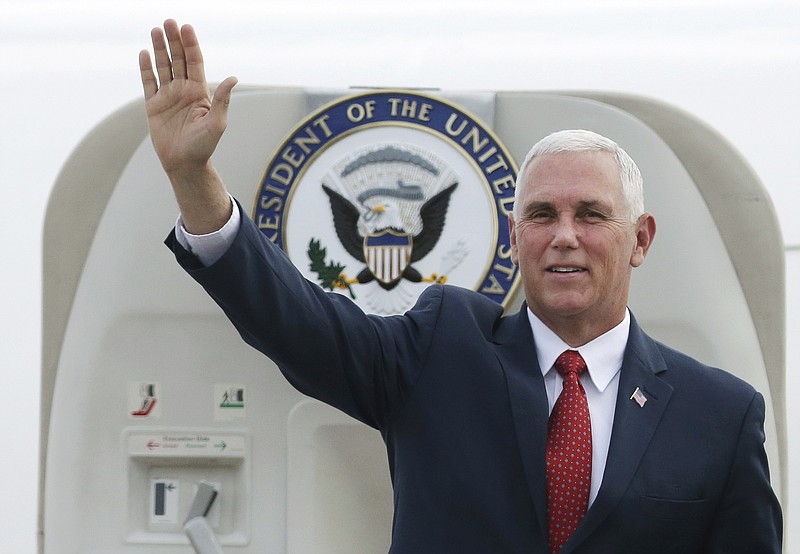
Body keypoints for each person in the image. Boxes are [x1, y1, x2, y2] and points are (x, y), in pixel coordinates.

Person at [139, 19, 782, 553]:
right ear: (513, 236)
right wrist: (194, 177)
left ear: (639, 239)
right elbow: (299, 324)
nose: (564, 235)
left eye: (590, 214)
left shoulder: (720, 415)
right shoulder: (441, 351)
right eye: (540, 215)